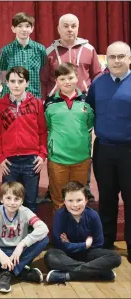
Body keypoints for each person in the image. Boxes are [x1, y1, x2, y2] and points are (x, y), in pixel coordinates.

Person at [40, 13, 102, 202]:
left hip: (83, 104)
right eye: (65, 26)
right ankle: (54, 187)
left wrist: (95, 101)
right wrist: (45, 101)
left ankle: (85, 187)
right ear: (58, 29)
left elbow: (97, 75)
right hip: (56, 105)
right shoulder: (49, 51)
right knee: (57, 142)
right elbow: (44, 80)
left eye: (73, 26)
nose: (69, 29)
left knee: (82, 142)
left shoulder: (89, 49)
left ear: (78, 28)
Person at [86, 41, 131, 263]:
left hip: (129, 150)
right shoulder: (98, 84)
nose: (116, 61)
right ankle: (106, 243)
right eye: (112, 57)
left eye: (121, 56)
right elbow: (90, 109)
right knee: (107, 198)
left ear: (129, 59)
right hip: (103, 149)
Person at [0, 182, 49, 293]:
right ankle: (20, 271)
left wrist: (21, 245)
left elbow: (44, 229)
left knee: (44, 239)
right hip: (1, 252)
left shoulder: (25, 212)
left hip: (19, 253)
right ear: (2, 199)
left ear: (22, 201)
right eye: (8, 198)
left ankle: (6, 272)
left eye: (16, 199)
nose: (12, 203)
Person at [0, 66, 47, 213]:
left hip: (31, 160)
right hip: (9, 162)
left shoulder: (36, 103)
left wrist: (42, 155)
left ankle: (30, 233)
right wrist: (0, 157)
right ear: (7, 83)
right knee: (10, 202)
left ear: (27, 83)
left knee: (30, 201)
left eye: (20, 81)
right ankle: (11, 234)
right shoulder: (0, 105)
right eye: (13, 81)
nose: (16, 85)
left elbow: (42, 131)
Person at [44, 181, 121, 283]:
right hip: (66, 255)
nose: (75, 205)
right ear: (64, 201)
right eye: (70, 200)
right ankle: (99, 272)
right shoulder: (60, 215)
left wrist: (70, 244)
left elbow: (98, 244)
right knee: (50, 256)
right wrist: (85, 245)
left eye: (79, 200)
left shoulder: (93, 215)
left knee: (115, 257)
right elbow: (59, 244)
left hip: (88, 255)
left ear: (86, 200)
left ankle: (67, 276)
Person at [44, 62, 94, 211]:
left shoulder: (87, 101)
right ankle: (60, 233)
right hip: (58, 159)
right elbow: (47, 126)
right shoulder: (50, 103)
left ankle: (78, 232)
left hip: (81, 158)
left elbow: (90, 125)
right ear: (57, 81)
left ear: (77, 78)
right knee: (59, 199)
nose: (67, 82)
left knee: (78, 199)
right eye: (62, 79)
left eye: (70, 77)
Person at [0, 12, 46, 99]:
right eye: (20, 26)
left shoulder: (40, 49)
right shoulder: (6, 50)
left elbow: (43, 74)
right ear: (13, 29)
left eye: (27, 26)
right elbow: (2, 76)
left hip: (33, 97)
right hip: (11, 98)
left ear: (32, 29)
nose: (24, 29)